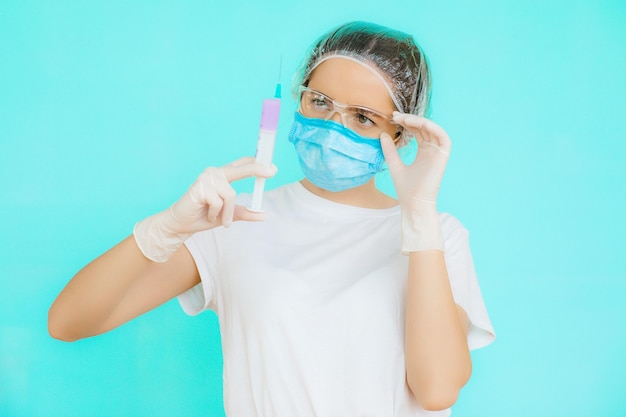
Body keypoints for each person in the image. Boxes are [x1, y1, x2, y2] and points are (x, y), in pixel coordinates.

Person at [49, 21, 495, 417]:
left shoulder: (438, 236)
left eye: (362, 118)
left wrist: (419, 216)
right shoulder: (237, 218)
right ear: (298, 97)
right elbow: (68, 322)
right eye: (320, 101)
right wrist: (163, 230)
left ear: (401, 133)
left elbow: (437, 390)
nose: (333, 125)